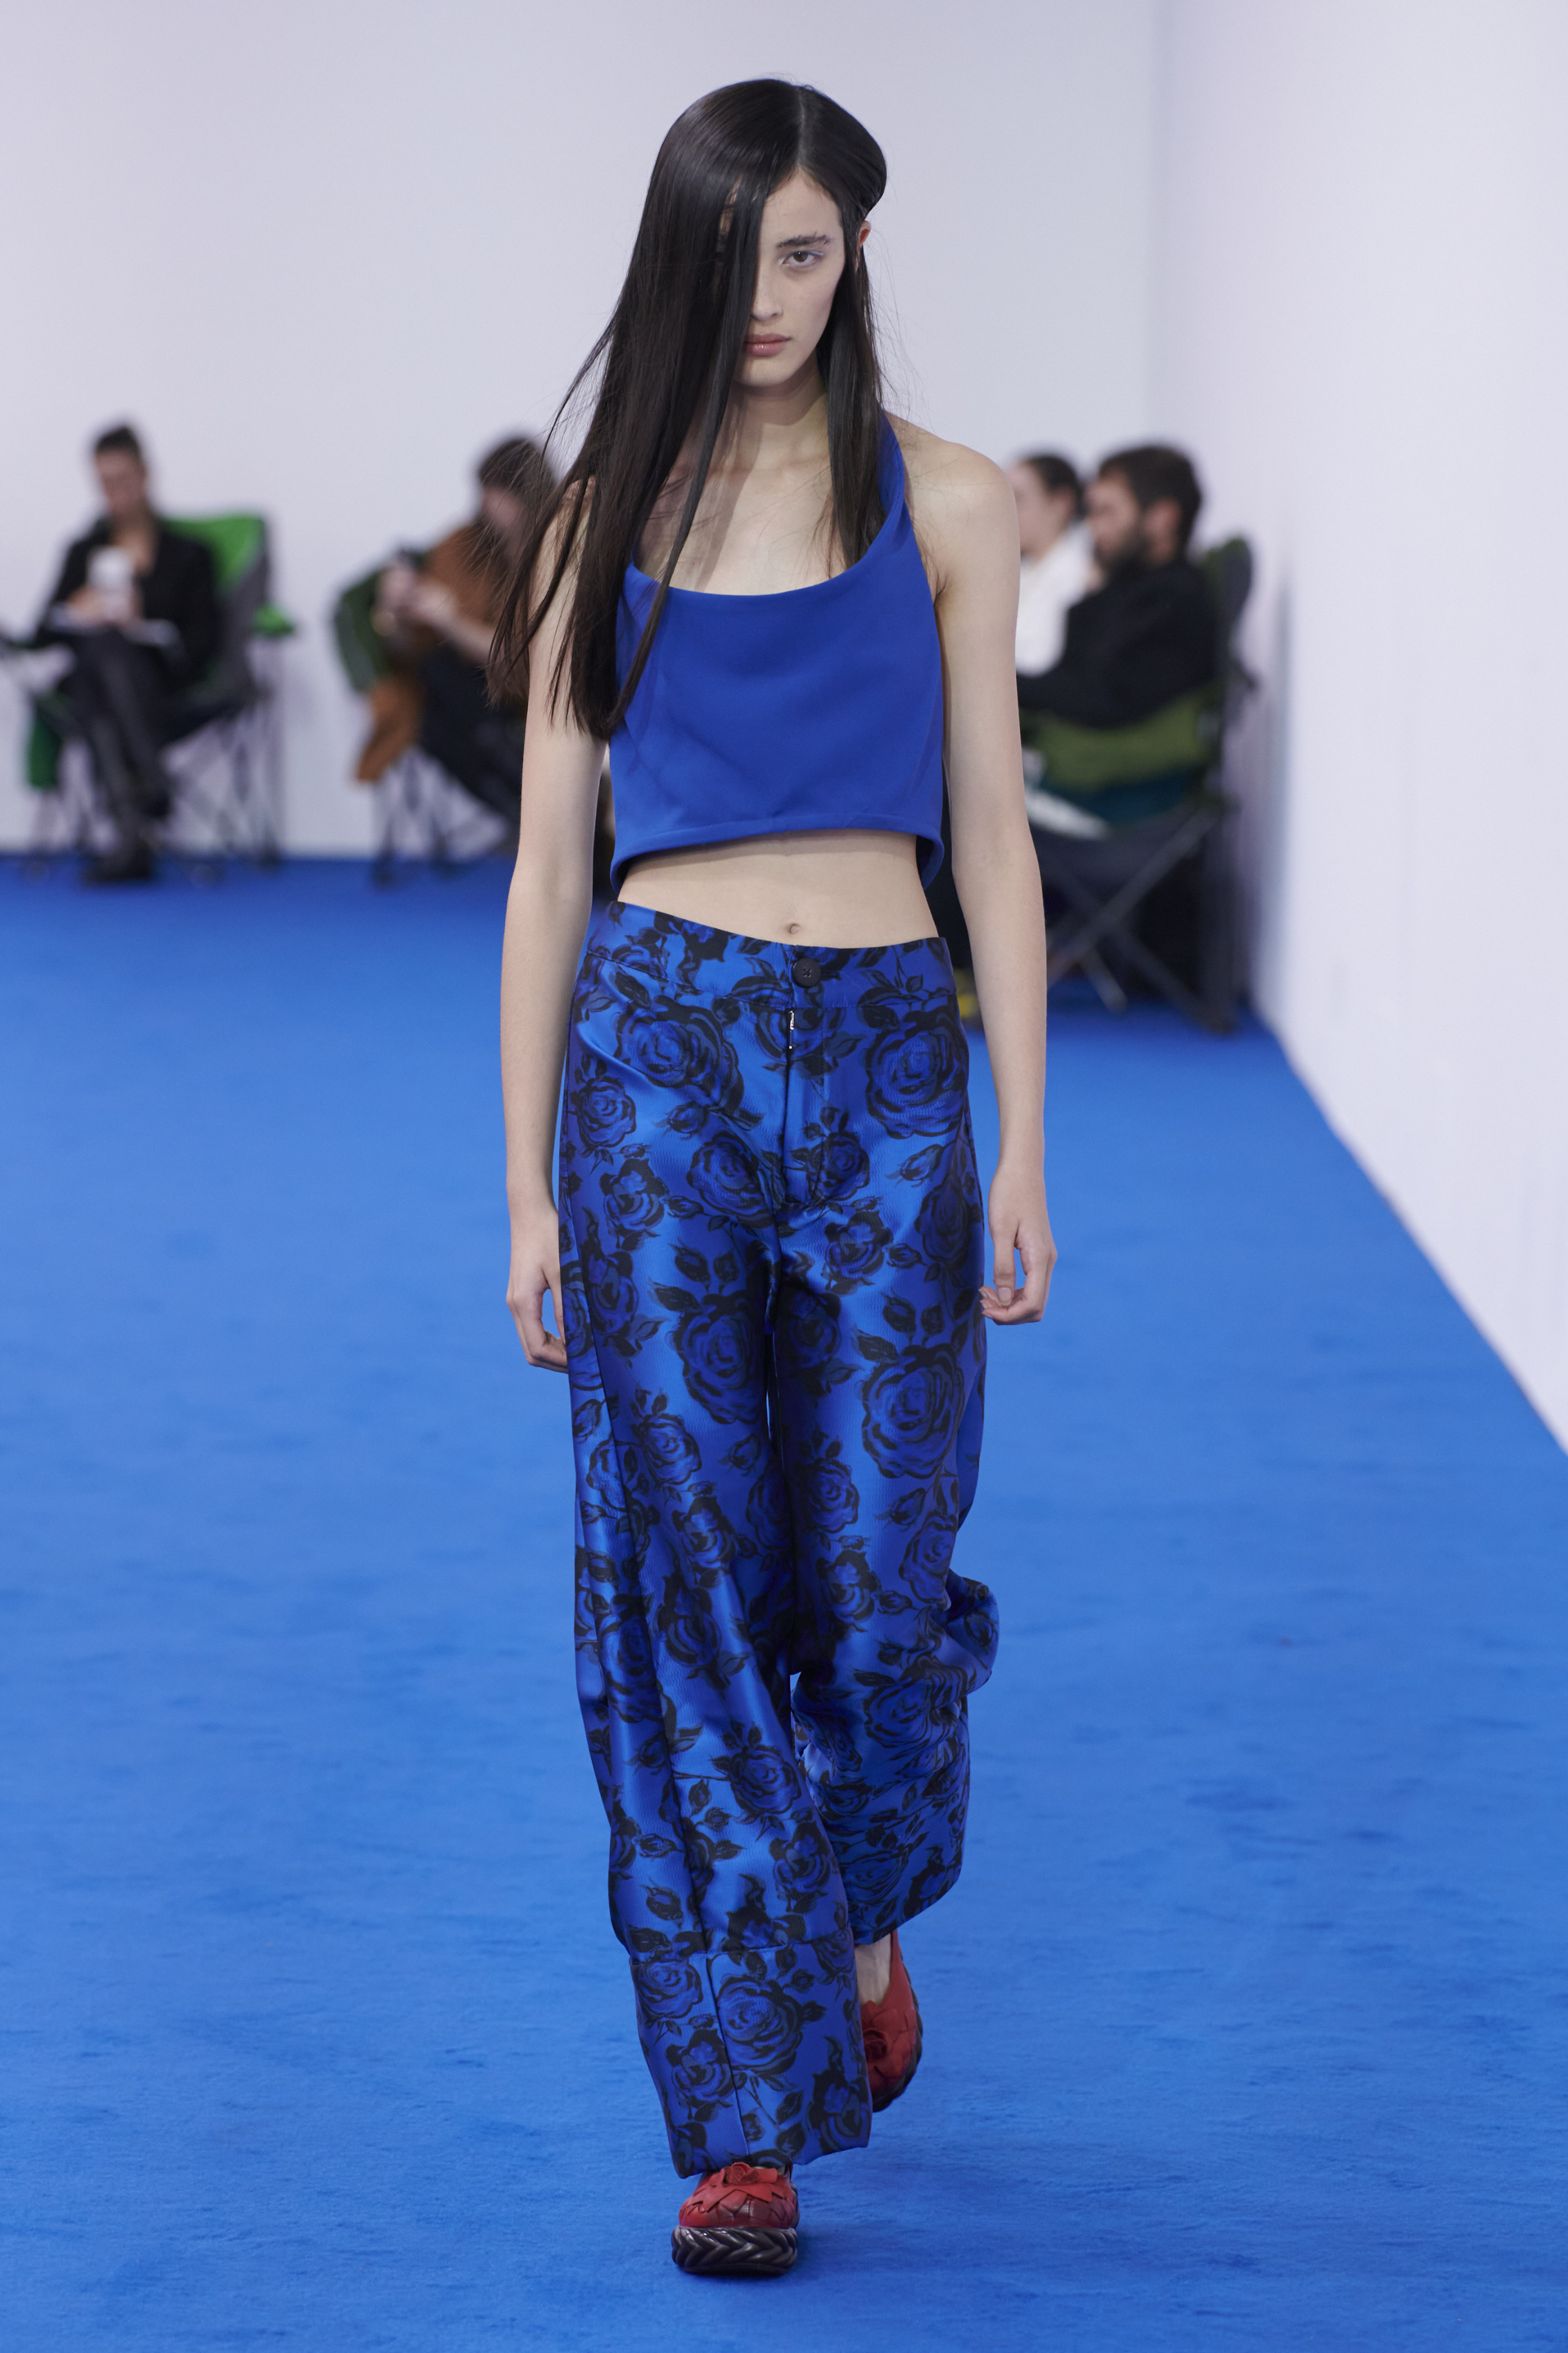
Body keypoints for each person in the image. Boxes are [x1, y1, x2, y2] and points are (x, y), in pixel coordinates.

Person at [492, 80, 1055, 2278]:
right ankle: (743, 2121)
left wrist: (1023, 1136)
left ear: (854, 255)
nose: (767, 295)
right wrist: (526, 1191)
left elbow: (991, 831)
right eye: (734, 254)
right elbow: (549, 872)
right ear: (679, 257)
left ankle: (859, 1906)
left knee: (881, 1576)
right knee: (692, 1584)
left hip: (893, 1059)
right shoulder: (595, 518)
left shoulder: (951, 500)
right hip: (656, 1066)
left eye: (804, 251)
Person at [36, 423, 220, 884]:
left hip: (163, 683)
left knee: (104, 665)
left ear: (145, 475)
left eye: (122, 480)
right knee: (100, 654)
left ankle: (129, 829)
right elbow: (44, 631)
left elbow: (205, 639)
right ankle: (151, 782)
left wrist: (144, 612)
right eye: (104, 483)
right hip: (94, 681)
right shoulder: (84, 552)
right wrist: (79, 606)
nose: (114, 494)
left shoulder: (188, 555)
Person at [354, 437, 555, 826]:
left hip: (529, 694)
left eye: (500, 493)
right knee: (430, 693)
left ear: (527, 494)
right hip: (470, 694)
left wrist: (451, 622)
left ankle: (536, 818)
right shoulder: (462, 545)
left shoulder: (556, 549)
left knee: (448, 692)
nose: (488, 504)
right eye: (486, 492)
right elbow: (406, 647)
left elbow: (527, 658)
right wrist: (393, 611)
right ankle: (525, 817)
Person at [1017, 442, 1214, 730]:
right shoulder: (1126, 583)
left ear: (1163, 518)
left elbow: (1100, 701)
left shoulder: (1175, 601)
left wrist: (1006, 684)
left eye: (1107, 512)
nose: (1093, 527)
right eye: (1092, 512)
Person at [1010, 451, 1091, 676]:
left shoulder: (1081, 572)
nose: (1005, 513)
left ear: (1060, 503)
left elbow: (1040, 661)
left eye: (1018, 499)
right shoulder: (1020, 570)